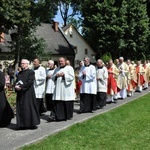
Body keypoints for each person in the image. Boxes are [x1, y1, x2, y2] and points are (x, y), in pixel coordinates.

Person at [15, 59, 40, 130]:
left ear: (27, 64)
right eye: (21, 63)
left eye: (23, 63)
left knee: (28, 108)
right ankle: (22, 124)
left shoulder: (31, 72)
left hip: (28, 93)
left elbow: (30, 82)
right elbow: (17, 81)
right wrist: (16, 86)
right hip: (20, 93)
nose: (21, 64)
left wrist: (21, 87)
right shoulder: (19, 73)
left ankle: (31, 124)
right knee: (21, 108)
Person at [48, 57, 75, 121]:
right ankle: (58, 116)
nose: (60, 62)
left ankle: (67, 115)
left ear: (65, 61)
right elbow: (52, 77)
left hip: (66, 88)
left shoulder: (69, 68)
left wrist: (64, 75)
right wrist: (56, 76)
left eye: (62, 61)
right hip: (58, 89)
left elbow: (72, 77)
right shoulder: (56, 69)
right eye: (59, 61)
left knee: (66, 101)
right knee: (58, 102)